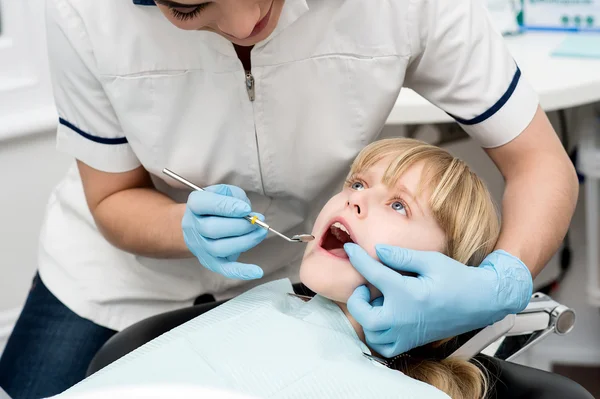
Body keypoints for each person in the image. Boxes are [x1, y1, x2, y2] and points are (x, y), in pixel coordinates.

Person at [0, 0, 578, 397]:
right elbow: (112, 198)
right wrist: (183, 225)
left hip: (289, 285)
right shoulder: (84, 13)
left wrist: (501, 283)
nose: (250, 20)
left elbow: (541, 164)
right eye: (355, 184)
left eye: (398, 205)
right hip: (120, 279)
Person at [54, 138, 498, 399]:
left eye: (399, 205)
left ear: (446, 273)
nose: (354, 199)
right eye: (358, 183)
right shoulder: (270, 305)